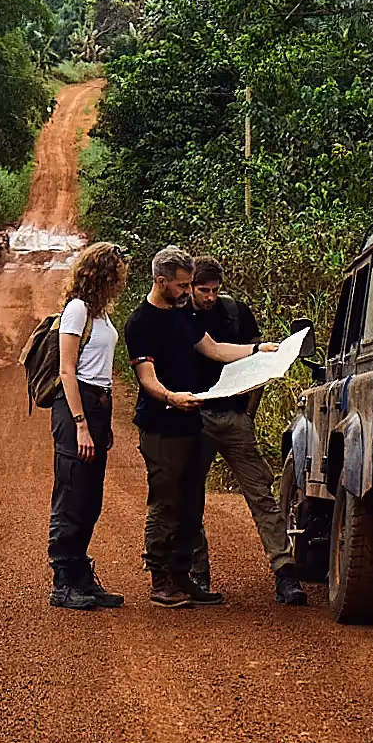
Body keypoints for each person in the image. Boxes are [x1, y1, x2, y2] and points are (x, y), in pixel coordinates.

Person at [124, 245, 273, 609]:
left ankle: (182, 575)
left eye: (192, 285)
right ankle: (160, 579)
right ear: (161, 281)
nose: (189, 292)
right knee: (166, 501)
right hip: (162, 425)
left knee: (192, 501)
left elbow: (216, 350)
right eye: (183, 285)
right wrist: (172, 398)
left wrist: (258, 352)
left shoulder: (184, 316)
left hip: (193, 420)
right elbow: (147, 379)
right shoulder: (141, 322)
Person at [189, 257, 306, 606]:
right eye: (203, 291)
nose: (209, 297)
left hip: (234, 417)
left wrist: (248, 414)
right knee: (190, 496)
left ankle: (285, 571)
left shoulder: (235, 313)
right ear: (191, 286)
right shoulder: (182, 317)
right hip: (196, 416)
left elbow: (259, 366)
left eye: (214, 290)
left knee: (262, 496)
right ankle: (198, 573)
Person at [47, 241, 129, 610]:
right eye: (118, 275)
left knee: (91, 496)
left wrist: (102, 420)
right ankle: (62, 581)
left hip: (98, 405)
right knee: (72, 492)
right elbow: (67, 371)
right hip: (75, 405)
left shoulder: (101, 314)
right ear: (102, 275)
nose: (121, 282)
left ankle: (81, 574)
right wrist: (80, 423)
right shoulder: (77, 311)